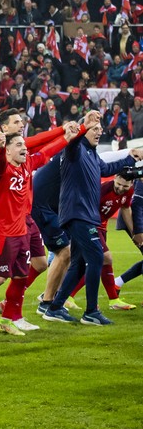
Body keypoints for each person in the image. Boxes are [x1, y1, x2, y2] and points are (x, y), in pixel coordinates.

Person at [0, 124, 75, 336]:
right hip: (2, 233)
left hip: (22, 230)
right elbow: (0, 162)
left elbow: (47, 151)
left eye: (24, 144)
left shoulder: (27, 164)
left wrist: (68, 136)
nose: (24, 148)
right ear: (8, 150)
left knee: (21, 277)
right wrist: (0, 149)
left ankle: (7, 320)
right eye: (19, 145)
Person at [45, 121, 138, 325]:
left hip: (85, 215)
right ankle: (91, 312)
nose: (99, 132)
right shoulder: (75, 150)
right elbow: (73, 140)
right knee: (97, 257)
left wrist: (130, 157)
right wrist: (84, 123)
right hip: (78, 214)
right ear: (84, 131)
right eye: (95, 129)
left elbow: (108, 169)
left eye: (100, 129)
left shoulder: (93, 155)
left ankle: (55, 307)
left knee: (79, 264)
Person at [64, 171, 137, 310]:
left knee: (99, 262)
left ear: (131, 184)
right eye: (119, 184)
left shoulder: (129, 191)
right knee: (103, 258)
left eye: (125, 186)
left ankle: (113, 300)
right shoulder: (102, 190)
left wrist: (134, 232)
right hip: (89, 225)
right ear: (115, 178)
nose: (121, 188)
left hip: (102, 227)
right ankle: (67, 296)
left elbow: (126, 208)